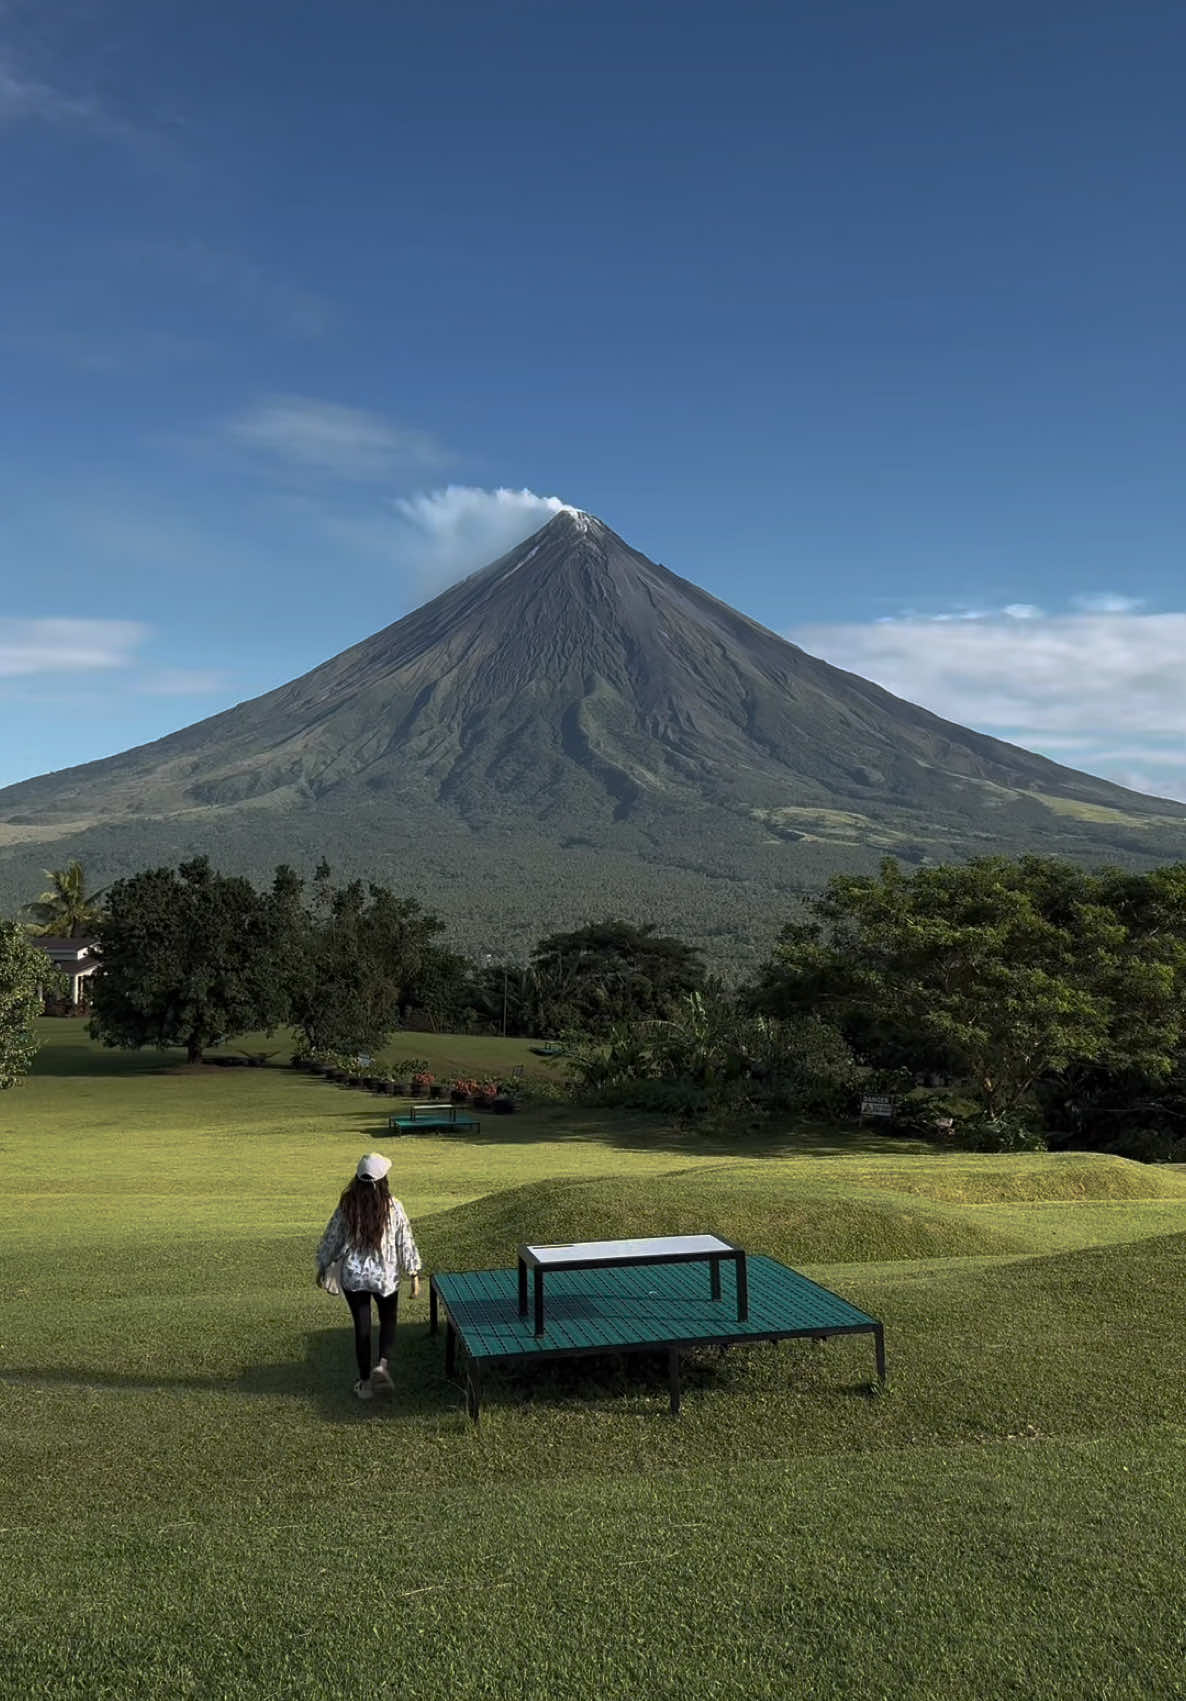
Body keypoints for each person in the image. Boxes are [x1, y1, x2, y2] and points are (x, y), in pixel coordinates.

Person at [316, 1152, 422, 1400]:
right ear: (384, 1180)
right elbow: (404, 1241)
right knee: (388, 1320)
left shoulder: (348, 1205)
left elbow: (333, 1237)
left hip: (354, 1277)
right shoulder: (394, 1206)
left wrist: (322, 1266)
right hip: (385, 1276)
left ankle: (364, 1384)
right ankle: (382, 1365)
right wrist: (414, 1273)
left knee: (362, 1328)